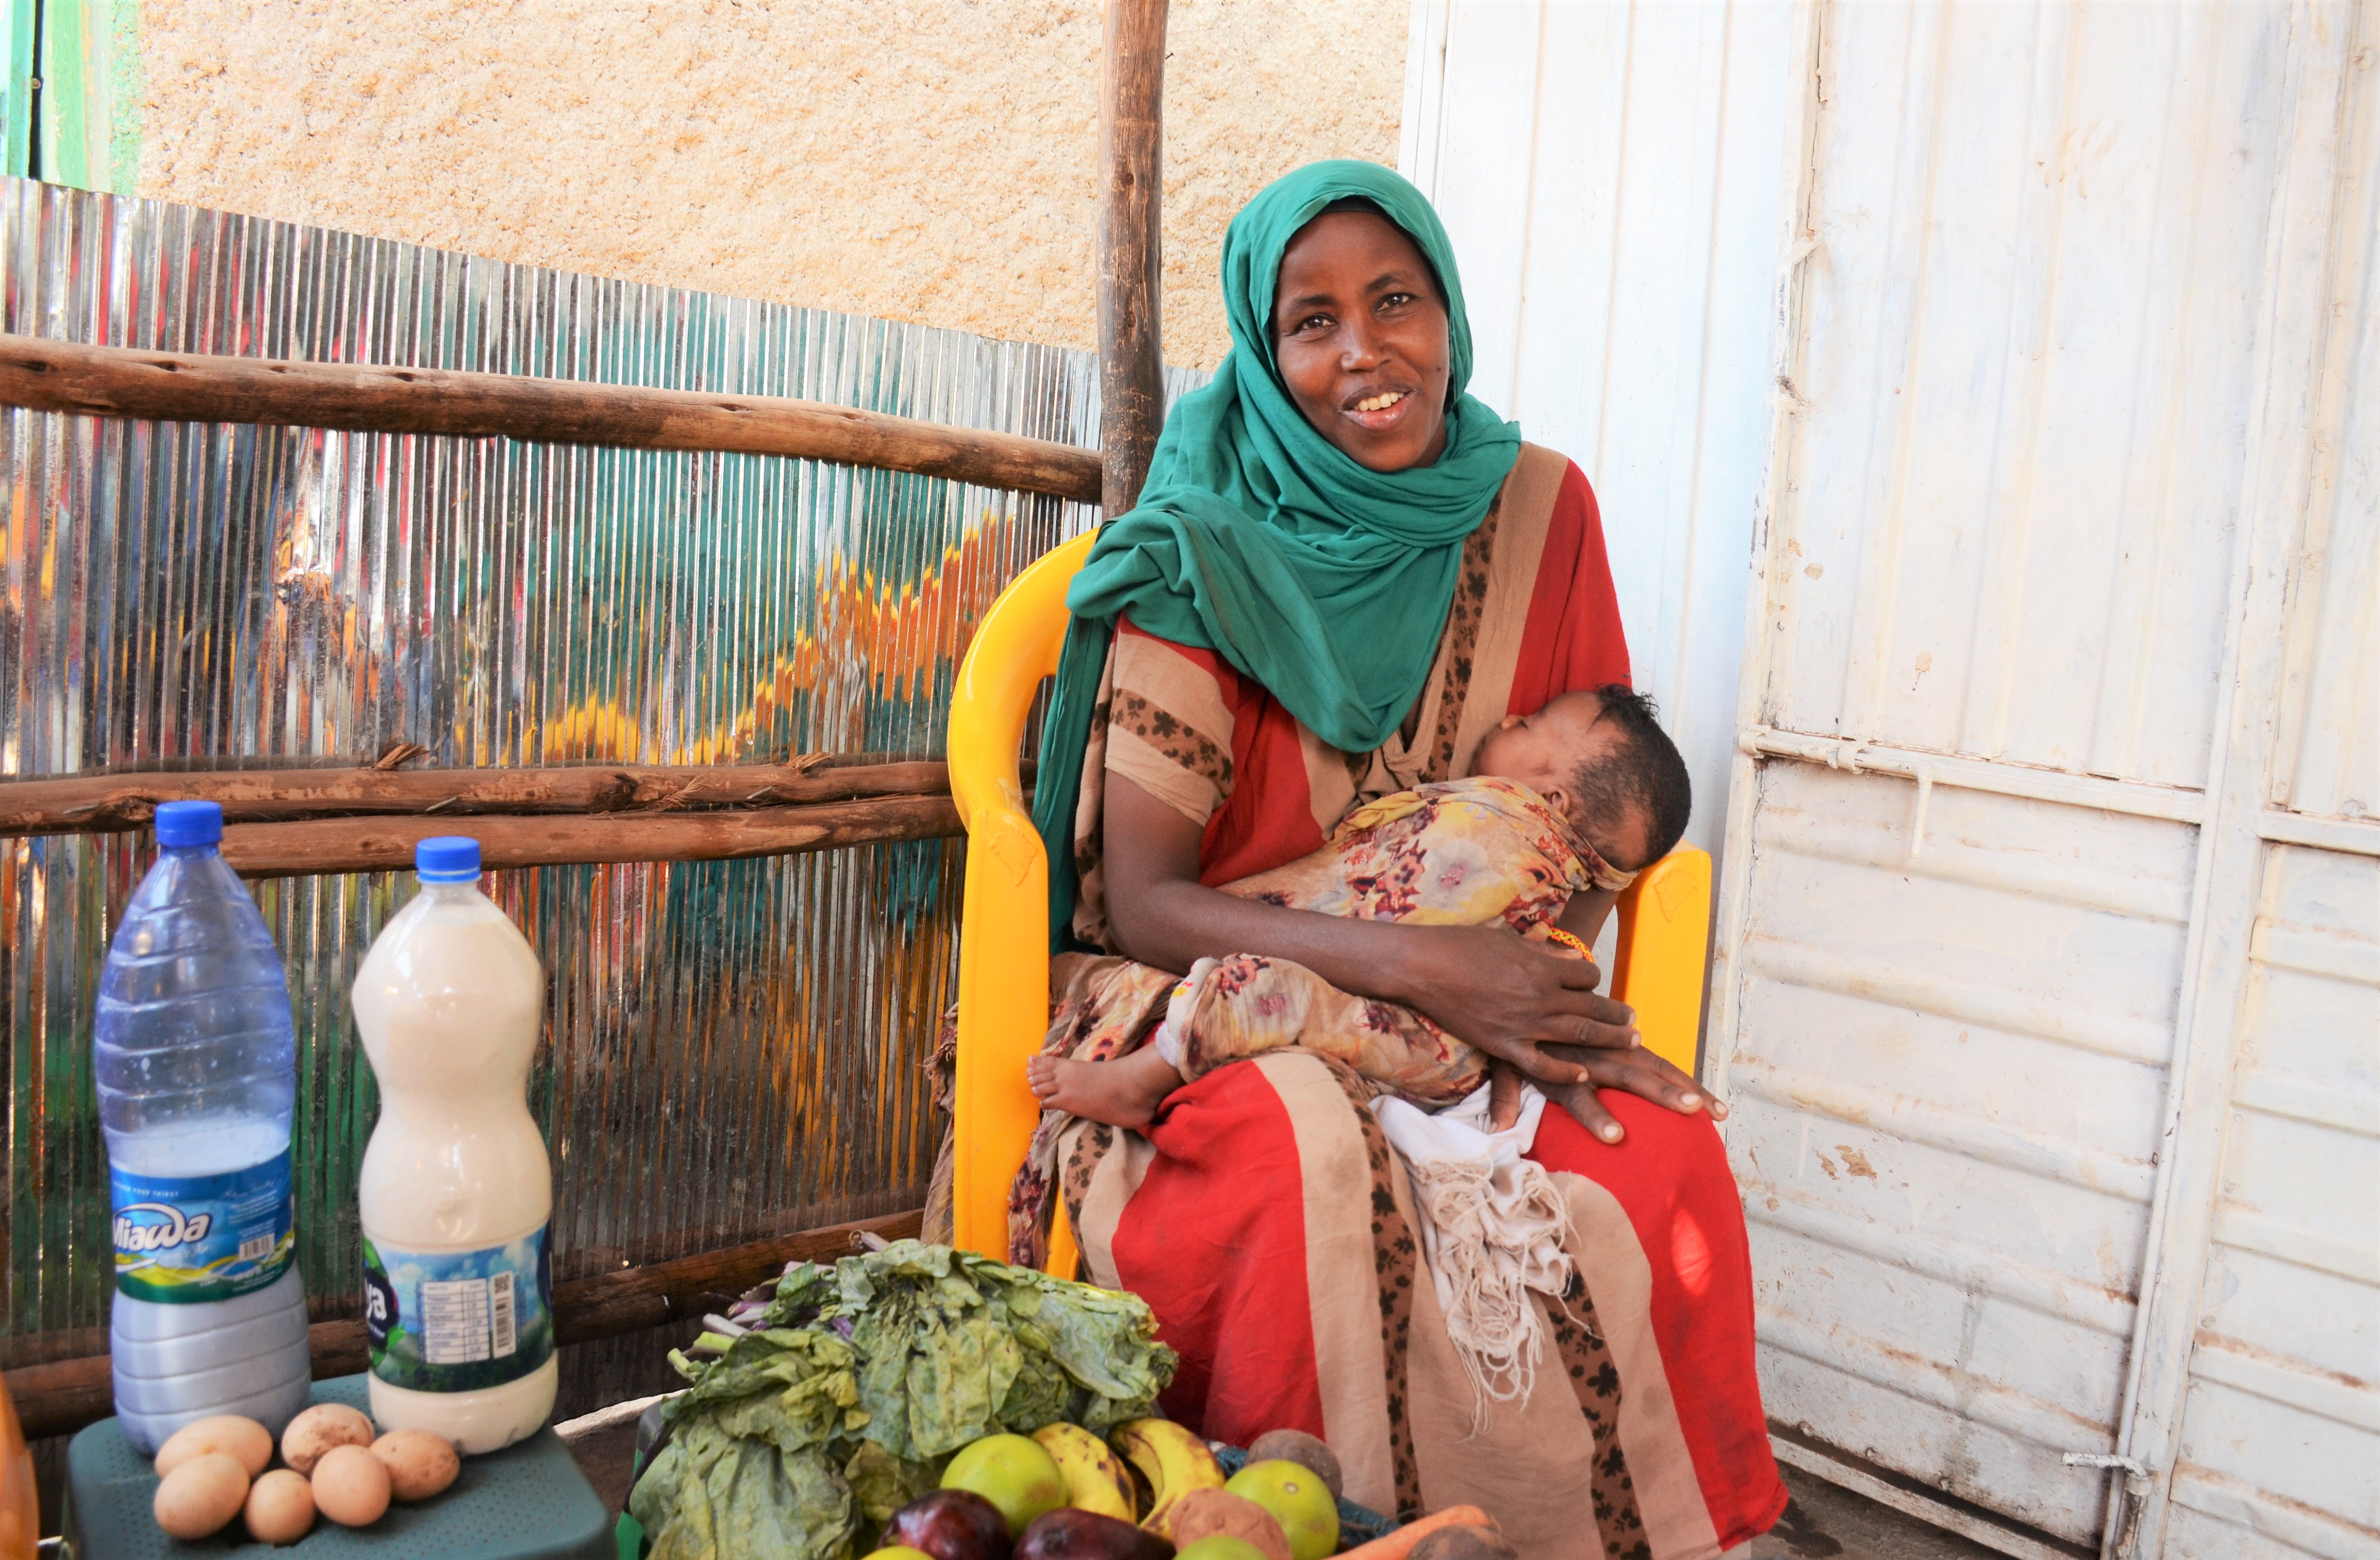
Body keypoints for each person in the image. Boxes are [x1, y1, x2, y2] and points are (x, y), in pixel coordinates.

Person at [1017, 161, 1783, 1559]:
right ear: (1264, 347)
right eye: (1311, 321)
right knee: (1301, 1149)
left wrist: (1537, 1004)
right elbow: (1143, 900)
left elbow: (1588, 828)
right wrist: (1429, 966)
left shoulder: (1546, 515)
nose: (1364, 352)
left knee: (1669, 1143)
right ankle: (1327, 1530)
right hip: (1198, 983)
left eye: (1396, 302)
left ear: (1449, 311)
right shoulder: (1202, 543)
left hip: (1467, 996)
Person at [1022, 684, 1690, 1130]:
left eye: (1535, 725)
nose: (1515, 716)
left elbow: (1406, 905)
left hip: (1425, 1038)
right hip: (1446, 1059)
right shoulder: (1547, 854)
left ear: (1556, 805)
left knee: (1261, 985)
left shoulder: (1500, 832)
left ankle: (1145, 1077)